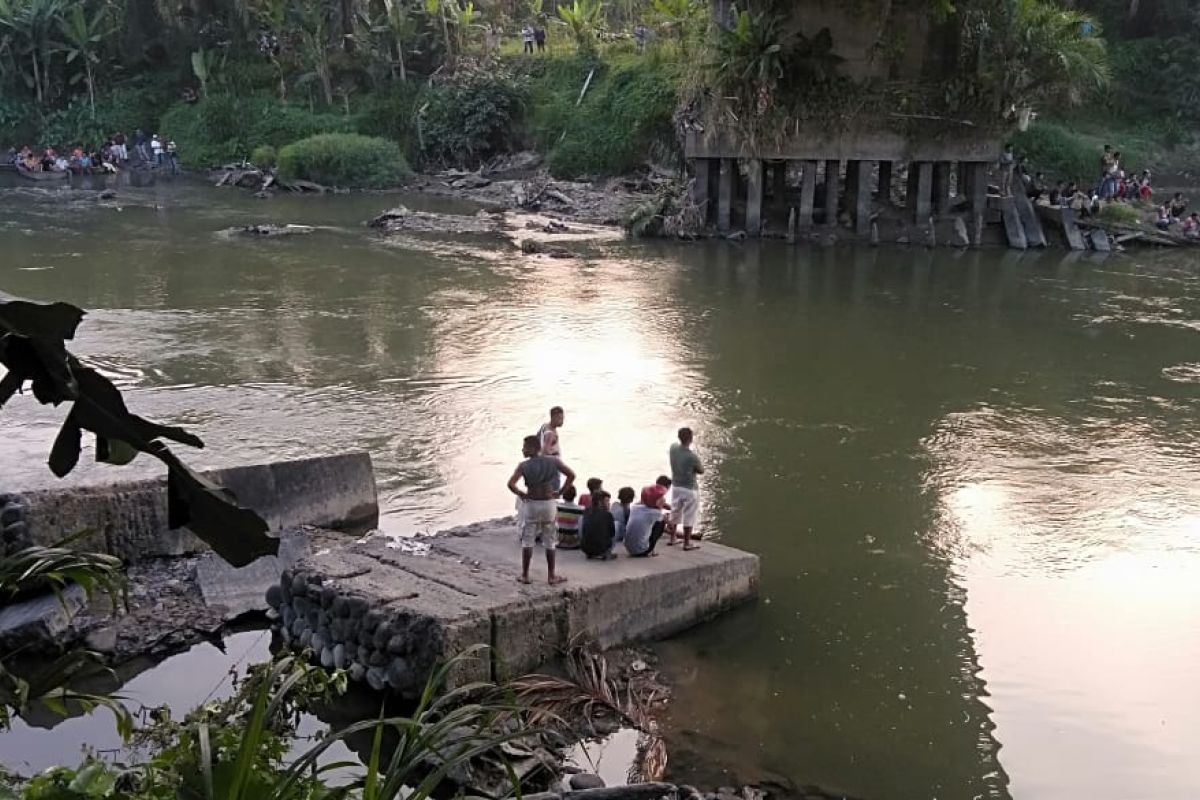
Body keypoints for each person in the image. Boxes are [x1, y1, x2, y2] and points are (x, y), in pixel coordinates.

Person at [507, 435, 575, 585]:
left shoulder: (523, 466)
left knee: (528, 540)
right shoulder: (553, 461)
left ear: (533, 448)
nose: (522, 449)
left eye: (525, 447)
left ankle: (525, 575)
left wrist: (521, 494)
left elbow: (511, 484)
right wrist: (561, 492)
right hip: (548, 503)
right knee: (550, 540)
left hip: (532, 503)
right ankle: (551, 575)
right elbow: (571, 475)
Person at [668, 427, 704, 550]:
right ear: (690, 439)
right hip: (690, 488)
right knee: (689, 515)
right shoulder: (692, 456)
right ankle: (687, 543)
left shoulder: (673, 448)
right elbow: (701, 471)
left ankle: (673, 538)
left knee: (675, 511)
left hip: (676, 486)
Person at [624, 479, 671, 557]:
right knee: (661, 523)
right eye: (661, 497)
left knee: (654, 522)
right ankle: (651, 550)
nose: (664, 499)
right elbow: (671, 526)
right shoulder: (655, 513)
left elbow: (649, 504)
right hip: (641, 551)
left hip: (628, 548)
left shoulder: (635, 507)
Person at [581, 491, 617, 560]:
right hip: (602, 548)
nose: (609, 503)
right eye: (607, 501)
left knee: (581, 520)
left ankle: (591, 549)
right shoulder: (608, 514)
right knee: (617, 524)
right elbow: (612, 533)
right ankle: (606, 552)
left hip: (585, 548)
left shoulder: (586, 510)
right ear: (600, 502)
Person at [537, 406, 564, 489]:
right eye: (560, 418)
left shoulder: (544, 426)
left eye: (562, 418)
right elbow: (545, 452)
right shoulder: (550, 434)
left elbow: (537, 438)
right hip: (552, 468)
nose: (562, 421)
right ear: (553, 417)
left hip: (543, 467)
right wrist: (554, 454)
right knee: (555, 494)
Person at [555, 485, 584, 549]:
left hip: (560, 541)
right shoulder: (581, 509)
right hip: (574, 542)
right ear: (575, 495)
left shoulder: (557, 507)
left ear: (563, 495)